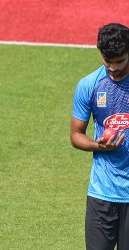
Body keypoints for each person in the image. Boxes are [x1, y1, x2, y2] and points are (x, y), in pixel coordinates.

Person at [70, 23, 129, 250]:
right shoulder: (89, 85)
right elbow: (76, 134)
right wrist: (98, 145)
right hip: (101, 194)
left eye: (119, 61)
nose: (113, 68)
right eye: (107, 61)